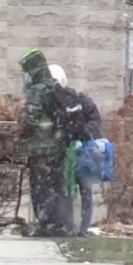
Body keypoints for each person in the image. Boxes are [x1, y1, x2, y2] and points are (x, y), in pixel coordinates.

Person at [18, 49, 73, 237]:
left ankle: (46, 225)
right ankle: (62, 224)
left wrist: (23, 127)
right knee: (58, 187)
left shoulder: (37, 90)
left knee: (41, 189)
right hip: (59, 147)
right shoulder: (56, 87)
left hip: (41, 149)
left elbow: (30, 119)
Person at [49, 64, 104, 237]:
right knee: (69, 189)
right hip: (67, 153)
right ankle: (69, 226)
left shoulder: (80, 101)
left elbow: (95, 123)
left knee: (82, 190)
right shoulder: (57, 104)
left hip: (81, 152)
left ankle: (82, 228)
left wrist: (82, 134)